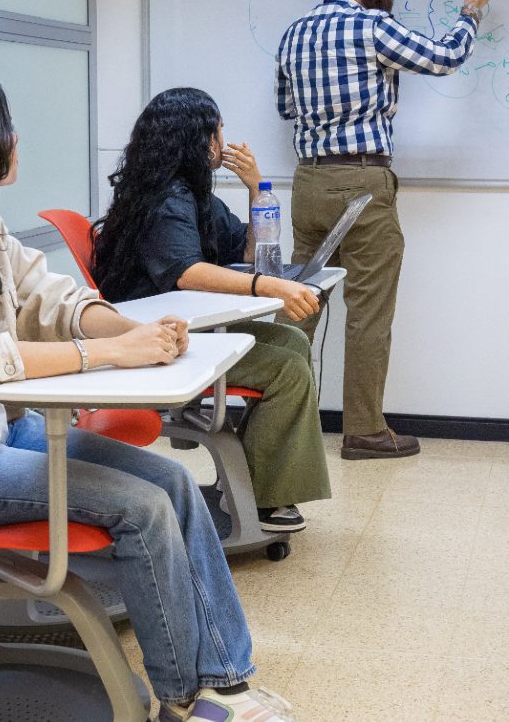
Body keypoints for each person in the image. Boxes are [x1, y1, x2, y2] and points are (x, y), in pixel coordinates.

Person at [0, 63, 296, 722]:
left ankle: (224, 680)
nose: (14, 139)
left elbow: (51, 299)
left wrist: (134, 331)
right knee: (142, 508)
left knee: (173, 482)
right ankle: (184, 698)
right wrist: (108, 353)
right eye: (2, 126)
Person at [275, 0, 496, 460]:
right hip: (362, 185)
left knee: (300, 303)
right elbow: (445, 57)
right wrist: (472, 8)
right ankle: (365, 431)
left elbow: (286, 107)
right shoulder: (372, 26)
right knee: (368, 311)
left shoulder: (293, 33)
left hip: (309, 183)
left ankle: (273, 422)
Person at [93, 87, 331, 533]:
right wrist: (268, 285)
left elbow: (248, 249)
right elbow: (187, 272)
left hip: (188, 327)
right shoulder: (166, 198)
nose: (224, 139)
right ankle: (265, 500)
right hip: (156, 338)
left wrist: (257, 188)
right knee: (286, 369)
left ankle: (254, 480)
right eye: (218, 129)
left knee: (292, 340)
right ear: (199, 138)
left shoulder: (191, 194)